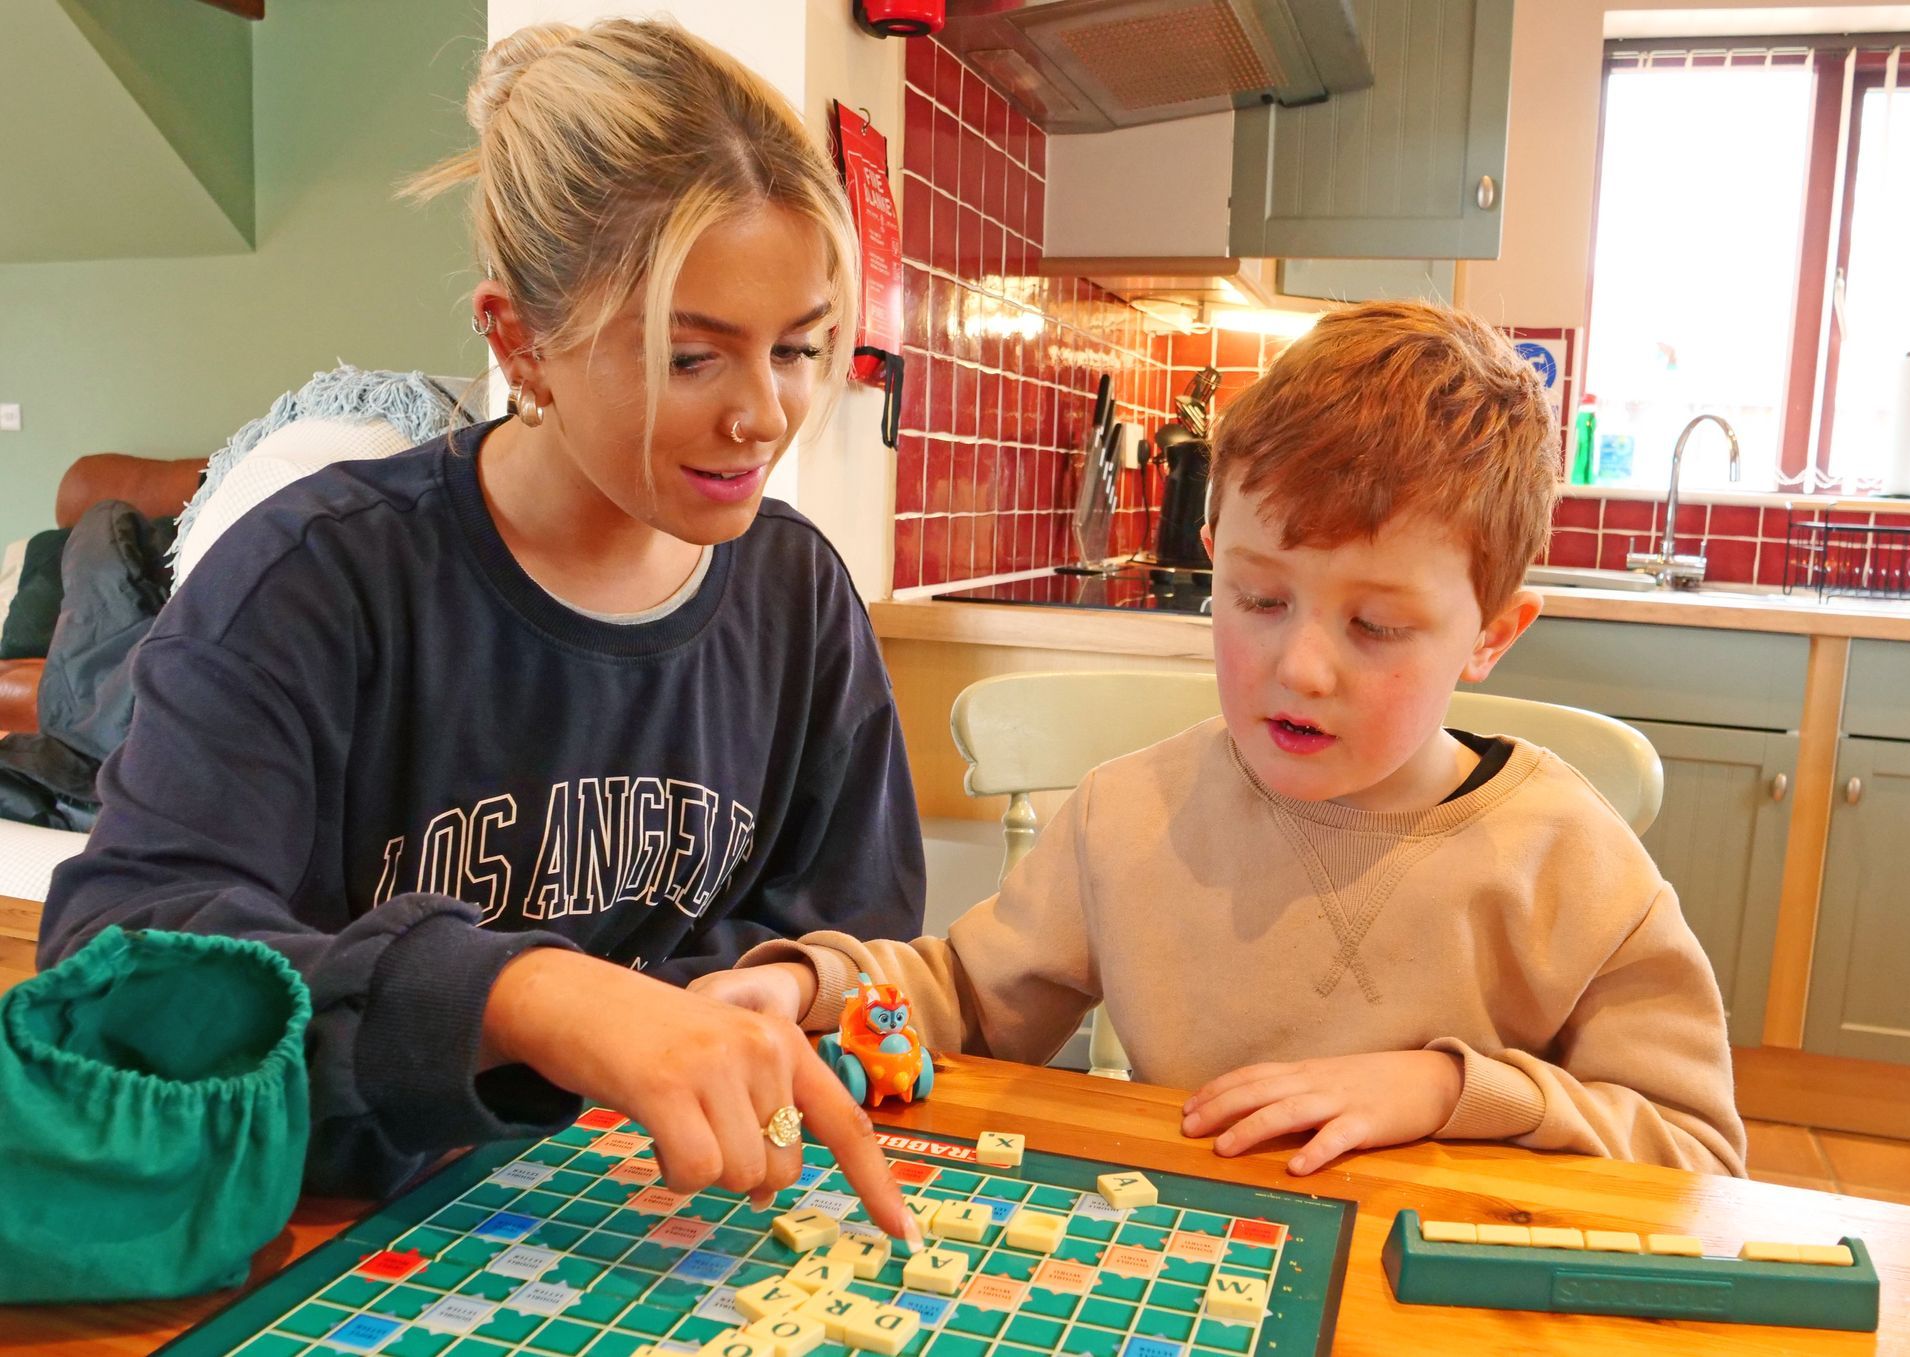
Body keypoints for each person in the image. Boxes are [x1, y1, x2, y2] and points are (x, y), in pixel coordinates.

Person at [38, 18, 924, 1235]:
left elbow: (857, 916)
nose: (763, 414)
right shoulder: (313, 577)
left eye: (801, 348)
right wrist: (527, 994)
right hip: (333, 1230)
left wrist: (784, 979)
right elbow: (114, 969)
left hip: (660, 1221)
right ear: (519, 341)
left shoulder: (799, 595)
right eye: (691, 356)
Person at [695, 301, 1747, 1179]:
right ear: (1212, 565)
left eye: (1376, 626)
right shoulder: (1124, 816)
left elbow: (1696, 1156)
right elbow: (965, 996)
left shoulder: (1573, 863)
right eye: (1257, 599)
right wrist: (806, 984)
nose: (1301, 667)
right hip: (1187, 1270)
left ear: (1492, 636)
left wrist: (1449, 1088)